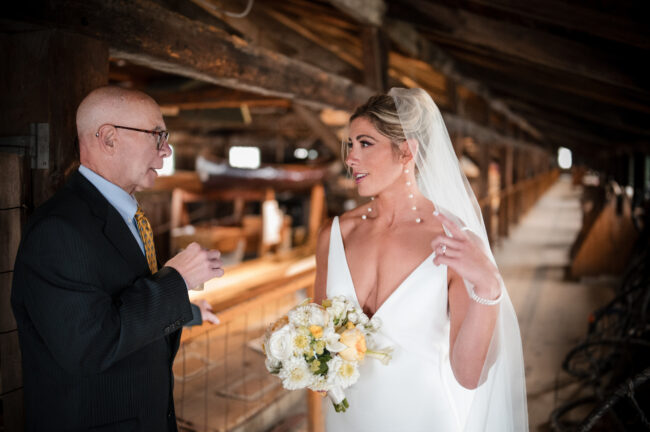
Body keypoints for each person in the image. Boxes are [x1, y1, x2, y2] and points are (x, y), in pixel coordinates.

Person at [11, 86, 224, 431]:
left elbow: (113, 300)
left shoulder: (126, 216)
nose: (167, 150)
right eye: (157, 135)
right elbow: (88, 345)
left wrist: (186, 311)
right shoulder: (59, 229)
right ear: (108, 138)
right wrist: (177, 281)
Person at [314, 88, 528, 431]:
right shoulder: (334, 235)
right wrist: (305, 361)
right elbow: (318, 340)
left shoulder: (454, 240)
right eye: (350, 145)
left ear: (407, 152)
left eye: (365, 144)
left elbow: (470, 375)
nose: (351, 158)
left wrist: (487, 285)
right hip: (347, 420)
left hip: (424, 418)